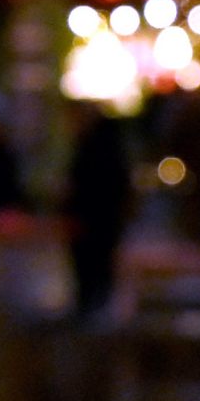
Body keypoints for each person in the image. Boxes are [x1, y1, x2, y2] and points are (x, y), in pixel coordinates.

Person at [58, 102, 134, 317]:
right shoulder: (100, 144)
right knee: (92, 273)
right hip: (95, 220)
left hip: (96, 220)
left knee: (95, 271)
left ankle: (94, 314)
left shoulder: (98, 147)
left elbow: (99, 185)